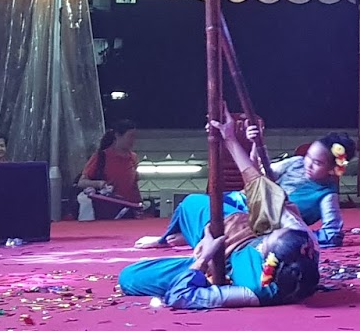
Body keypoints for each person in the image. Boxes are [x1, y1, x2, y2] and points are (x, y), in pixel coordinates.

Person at [118, 117, 320, 310]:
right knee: (192, 203)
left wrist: (204, 258)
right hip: (237, 227)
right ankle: (173, 238)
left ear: (268, 262)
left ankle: (194, 246)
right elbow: (258, 187)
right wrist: (230, 138)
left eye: (264, 243)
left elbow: (180, 297)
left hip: (216, 261)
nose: (263, 241)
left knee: (130, 278)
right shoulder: (302, 237)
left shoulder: (256, 292)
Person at [136, 124, 349, 249]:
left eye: (317, 163)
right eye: (309, 157)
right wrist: (256, 144)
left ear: (333, 169)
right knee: (193, 203)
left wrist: (295, 235)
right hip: (242, 201)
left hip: (259, 224)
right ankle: (173, 237)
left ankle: (196, 236)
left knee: (220, 216)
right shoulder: (295, 163)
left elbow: (332, 235)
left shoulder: (327, 195)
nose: (308, 164)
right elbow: (258, 174)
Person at [77, 120, 142, 220]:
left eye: (134, 137)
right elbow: (81, 182)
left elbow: (133, 185)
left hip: (129, 209)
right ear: (117, 135)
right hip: (108, 210)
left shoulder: (133, 158)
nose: (133, 140)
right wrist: (99, 184)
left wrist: (139, 204)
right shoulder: (101, 157)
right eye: (130, 136)